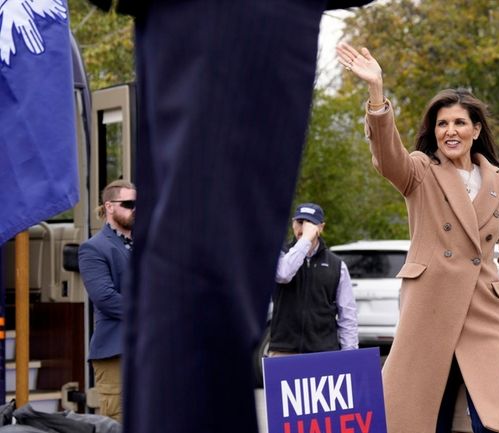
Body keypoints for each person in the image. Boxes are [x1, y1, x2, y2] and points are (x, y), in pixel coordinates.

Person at [80, 1, 374, 433]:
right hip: (235, 21)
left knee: (188, 290)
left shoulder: (333, 264)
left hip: (196, 24)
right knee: (202, 293)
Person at [336, 42, 499, 433]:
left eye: (459, 123)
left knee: (492, 423)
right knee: (428, 420)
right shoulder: (421, 172)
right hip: (429, 314)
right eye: (442, 124)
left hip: (486, 316)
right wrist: (377, 93)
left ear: (476, 130)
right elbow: (387, 156)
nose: (450, 131)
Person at [78, 179, 136, 422]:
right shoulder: (94, 248)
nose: (136, 209)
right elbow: (105, 298)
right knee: (119, 422)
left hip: (152, 349)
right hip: (115, 352)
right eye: (129, 204)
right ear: (109, 206)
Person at [269, 203, 358, 354]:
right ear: (292, 223)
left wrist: (350, 354)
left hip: (323, 352)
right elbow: (283, 274)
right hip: (284, 350)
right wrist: (305, 240)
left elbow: (348, 315)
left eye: (309, 223)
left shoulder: (336, 265)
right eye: (300, 222)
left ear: (321, 227)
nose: (303, 228)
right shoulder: (281, 255)